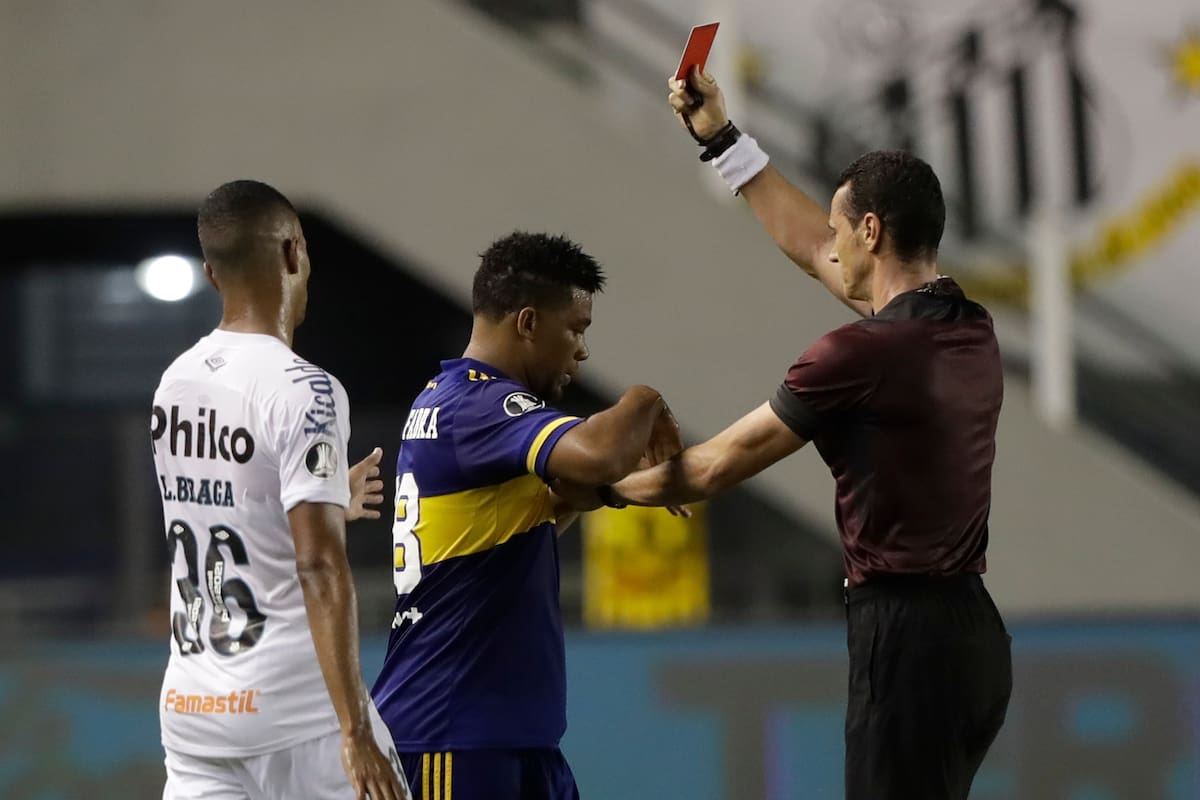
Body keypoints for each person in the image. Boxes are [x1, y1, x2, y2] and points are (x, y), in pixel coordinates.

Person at [565, 72, 1012, 799]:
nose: (830, 242)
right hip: (975, 636)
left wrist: (602, 490)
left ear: (871, 231)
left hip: (904, 641)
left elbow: (711, 467)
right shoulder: (968, 326)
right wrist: (721, 139)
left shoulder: (859, 357)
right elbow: (812, 248)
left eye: (842, 227)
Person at [370, 231, 682, 800]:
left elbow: (515, 524)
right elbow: (598, 455)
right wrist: (644, 397)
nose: (582, 351)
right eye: (577, 329)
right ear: (529, 323)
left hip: (502, 731)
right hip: (454, 731)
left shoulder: (443, 398)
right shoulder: (480, 403)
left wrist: (604, 493)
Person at [152, 180, 410, 800]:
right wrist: (354, 731)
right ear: (295, 251)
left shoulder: (174, 382)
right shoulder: (306, 389)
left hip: (195, 713)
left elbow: (224, 513)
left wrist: (324, 500)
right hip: (297, 715)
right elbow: (317, 563)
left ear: (212, 274)